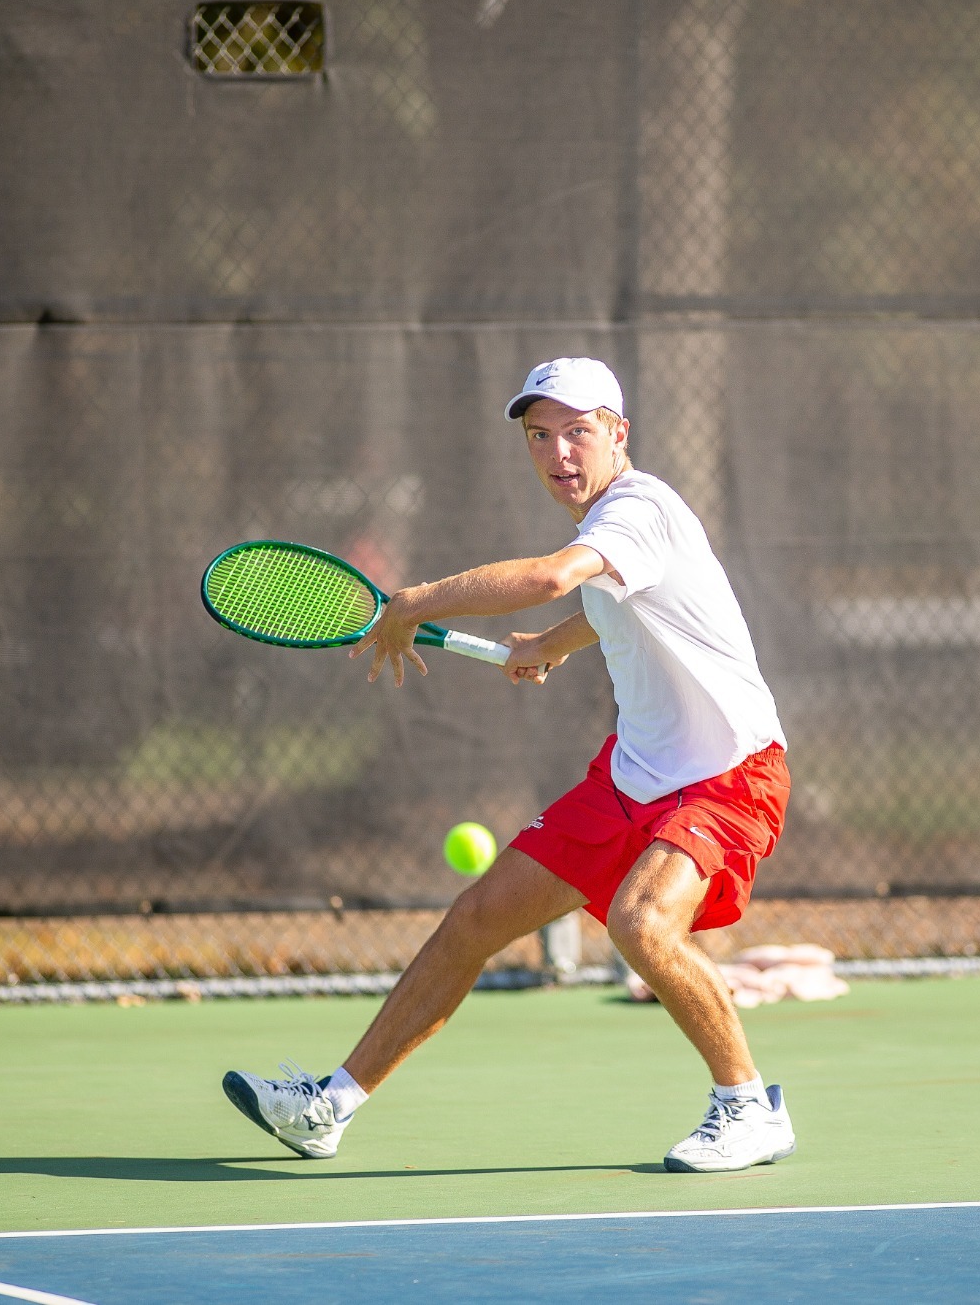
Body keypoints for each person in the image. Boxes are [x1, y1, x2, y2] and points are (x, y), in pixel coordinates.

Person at [222, 357, 795, 1174]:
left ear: (617, 434)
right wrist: (548, 644)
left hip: (728, 770)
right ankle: (329, 1107)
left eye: (578, 432)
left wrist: (415, 600)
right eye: (541, 436)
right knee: (476, 919)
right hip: (633, 775)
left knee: (640, 922)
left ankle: (748, 1106)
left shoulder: (640, 507)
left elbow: (556, 576)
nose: (560, 452)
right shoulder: (609, 526)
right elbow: (613, 601)